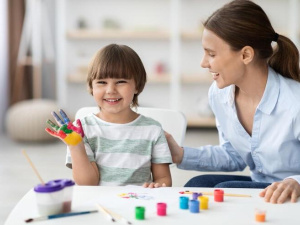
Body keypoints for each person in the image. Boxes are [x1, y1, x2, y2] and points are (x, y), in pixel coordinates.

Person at [165, 0, 300, 204]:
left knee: (224, 190)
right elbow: (233, 156)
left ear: (246, 54)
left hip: (290, 194)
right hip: (263, 188)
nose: (203, 63)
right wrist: (180, 154)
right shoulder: (219, 95)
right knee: (197, 185)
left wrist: (296, 182)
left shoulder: (294, 102)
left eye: (211, 54)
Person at [46, 44, 172, 188]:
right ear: (91, 87)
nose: (111, 90)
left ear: (137, 85)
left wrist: (158, 187)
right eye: (102, 82)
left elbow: (163, 178)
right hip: (99, 206)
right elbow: (87, 184)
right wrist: (76, 146)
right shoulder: (80, 131)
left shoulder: (152, 129)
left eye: (120, 82)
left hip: (138, 206)